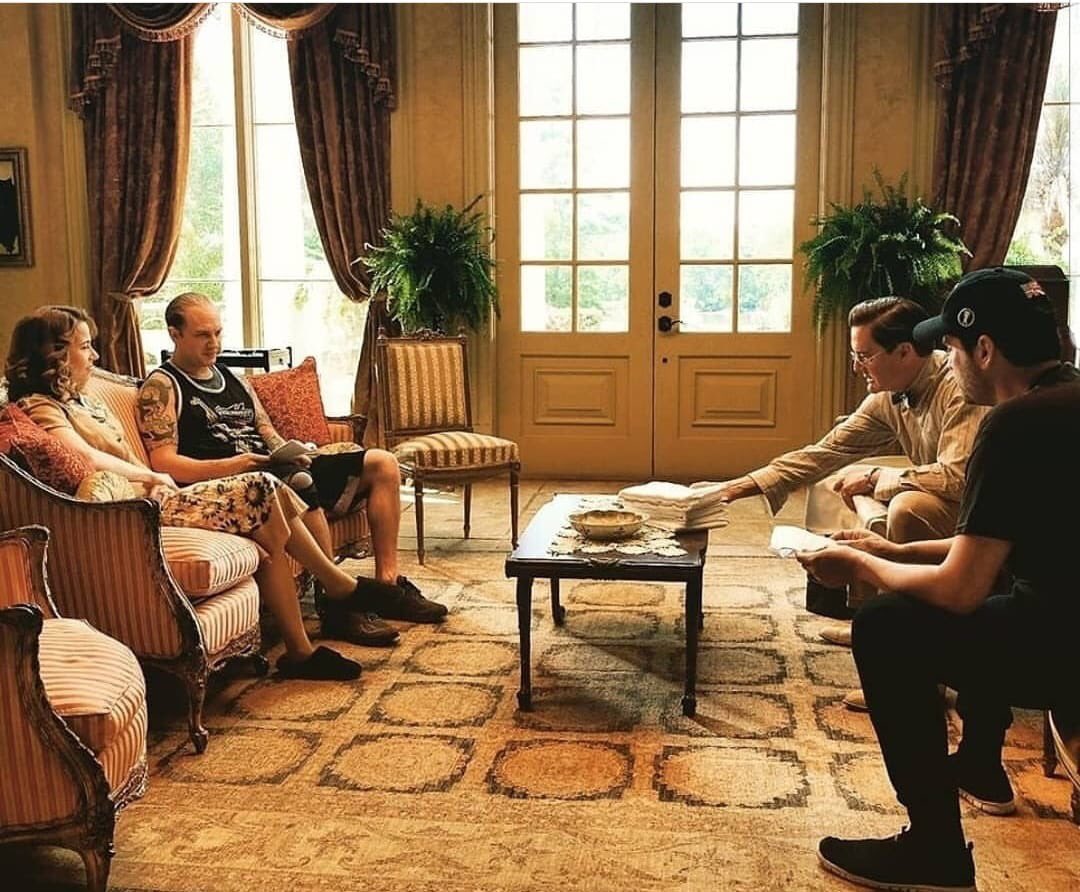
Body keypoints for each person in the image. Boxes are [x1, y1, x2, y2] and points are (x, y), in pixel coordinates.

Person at [798, 267, 1078, 891]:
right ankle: (979, 764)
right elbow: (997, 543)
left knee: (887, 627)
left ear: (985, 349)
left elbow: (959, 589)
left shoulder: (1013, 426)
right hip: (1063, 613)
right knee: (984, 599)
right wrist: (892, 548)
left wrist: (860, 565)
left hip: (1062, 646)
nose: (946, 361)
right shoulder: (1067, 400)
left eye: (950, 347)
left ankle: (934, 850)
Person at [5, 306, 362, 681]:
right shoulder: (38, 407)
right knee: (260, 489)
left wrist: (153, 479)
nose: (94, 355)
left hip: (152, 495)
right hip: (131, 510)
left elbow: (119, 454)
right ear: (55, 355)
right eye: (84, 346)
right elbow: (87, 457)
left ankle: (302, 648)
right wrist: (151, 476)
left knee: (268, 508)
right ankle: (338, 589)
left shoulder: (81, 400)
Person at [701, 297, 988, 707]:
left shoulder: (959, 389)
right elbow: (823, 453)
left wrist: (877, 478)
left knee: (908, 506)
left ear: (905, 352)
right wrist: (732, 489)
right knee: (845, 482)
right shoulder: (889, 395)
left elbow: (958, 479)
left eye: (864, 356)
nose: (856, 367)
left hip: (985, 514)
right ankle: (875, 628)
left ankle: (919, 678)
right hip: (952, 496)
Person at [136, 292, 447, 645]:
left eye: (218, 332)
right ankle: (338, 606)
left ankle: (387, 586)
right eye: (202, 335)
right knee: (299, 481)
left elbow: (266, 431)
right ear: (174, 334)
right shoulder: (162, 386)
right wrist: (236, 464)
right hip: (235, 482)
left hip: (271, 466)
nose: (214, 343)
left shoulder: (234, 379)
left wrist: (290, 451)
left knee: (382, 463)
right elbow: (163, 461)